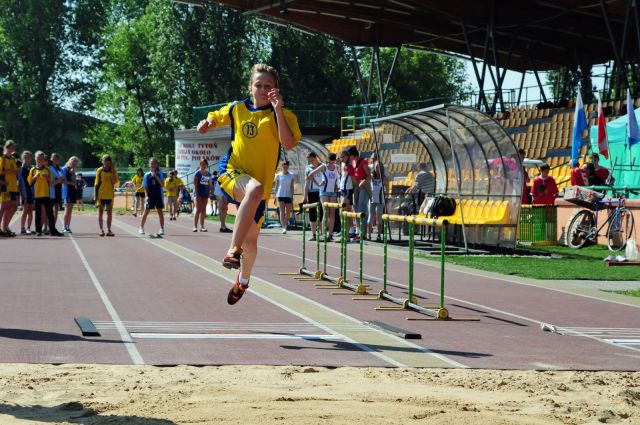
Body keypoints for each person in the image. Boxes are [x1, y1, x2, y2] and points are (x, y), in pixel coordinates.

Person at [197, 63, 301, 305]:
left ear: (276, 89)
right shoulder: (237, 109)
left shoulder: (285, 116)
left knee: (251, 242)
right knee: (253, 191)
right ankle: (233, 251)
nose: (263, 90)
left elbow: (288, 143)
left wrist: (277, 109)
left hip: (260, 186)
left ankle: (243, 281)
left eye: (268, 86)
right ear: (250, 87)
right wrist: (206, 123)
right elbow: (215, 117)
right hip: (233, 171)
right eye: (258, 85)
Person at [28, 151, 63, 236]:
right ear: (35, 159)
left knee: (50, 213)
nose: (39, 161)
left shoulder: (47, 169)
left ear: (43, 160)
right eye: (38, 159)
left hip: (46, 194)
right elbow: (29, 182)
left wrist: (46, 177)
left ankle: (53, 230)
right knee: (38, 213)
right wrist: (35, 177)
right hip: (37, 194)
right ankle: (38, 230)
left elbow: (51, 181)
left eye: (41, 159)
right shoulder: (33, 170)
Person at [307, 153, 340, 241]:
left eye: (333, 160)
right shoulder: (323, 167)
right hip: (324, 192)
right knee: (326, 212)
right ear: (328, 160)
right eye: (330, 160)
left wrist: (337, 186)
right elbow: (310, 175)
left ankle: (330, 234)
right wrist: (318, 184)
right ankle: (324, 234)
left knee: (332, 213)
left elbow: (338, 178)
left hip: (333, 192)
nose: (332, 162)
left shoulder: (337, 167)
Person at [348, 146, 371, 242]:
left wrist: (362, 183)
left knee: (362, 209)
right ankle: (359, 231)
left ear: (353, 155)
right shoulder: (353, 163)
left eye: (350, 155)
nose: (349, 157)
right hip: (356, 188)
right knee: (356, 209)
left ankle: (363, 233)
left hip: (364, 188)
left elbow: (369, 176)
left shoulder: (363, 162)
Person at [94, 154, 119, 236]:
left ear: (110, 162)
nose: (106, 163)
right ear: (103, 161)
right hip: (101, 194)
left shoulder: (113, 170)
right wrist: (95, 195)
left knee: (109, 212)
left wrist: (112, 171)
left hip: (109, 194)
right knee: (100, 212)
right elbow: (96, 184)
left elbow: (115, 182)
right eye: (105, 161)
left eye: (108, 161)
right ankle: (101, 230)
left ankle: (109, 230)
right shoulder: (99, 170)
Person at [139, 157, 165, 235]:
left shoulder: (160, 174)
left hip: (158, 195)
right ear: (149, 165)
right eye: (151, 163)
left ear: (156, 165)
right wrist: (146, 196)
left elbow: (162, 184)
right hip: (150, 196)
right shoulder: (147, 175)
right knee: (146, 212)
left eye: (154, 163)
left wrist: (156, 176)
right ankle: (141, 227)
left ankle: (162, 229)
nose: (153, 165)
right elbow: (145, 186)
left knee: (160, 212)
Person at [0, 140, 20, 237]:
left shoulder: (13, 159)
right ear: (6, 148)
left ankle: (5, 227)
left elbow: (15, 171)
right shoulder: (2, 158)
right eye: (11, 147)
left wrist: (17, 169)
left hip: (13, 186)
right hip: (5, 185)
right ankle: (2, 228)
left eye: (13, 148)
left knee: (13, 206)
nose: (12, 149)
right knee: (4, 207)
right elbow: (1, 172)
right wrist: (10, 171)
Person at [304, 152, 324, 241]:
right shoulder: (308, 169)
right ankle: (313, 234)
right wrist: (305, 196)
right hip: (311, 192)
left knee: (322, 212)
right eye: (309, 160)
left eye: (312, 159)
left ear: (316, 158)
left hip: (321, 192)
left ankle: (322, 233)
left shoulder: (322, 166)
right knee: (312, 213)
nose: (311, 161)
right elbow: (306, 183)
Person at [368, 152, 385, 241]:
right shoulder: (371, 176)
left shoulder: (383, 178)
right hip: (372, 199)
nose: (377, 169)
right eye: (376, 167)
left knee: (379, 217)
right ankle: (369, 234)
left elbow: (386, 187)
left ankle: (379, 235)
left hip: (380, 199)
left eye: (379, 167)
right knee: (370, 217)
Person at [274, 161, 295, 234]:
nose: (285, 167)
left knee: (288, 212)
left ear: (288, 166)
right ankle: (283, 227)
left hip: (288, 195)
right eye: (284, 166)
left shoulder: (291, 175)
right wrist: (275, 196)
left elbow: (292, 186)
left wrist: (292, 195)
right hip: (280, 194)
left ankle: (285, 224)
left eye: (287, 166)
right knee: (282, 211)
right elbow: (276, 186)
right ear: (282, 166)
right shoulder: (278, 175)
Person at [338, 150, 355, 240]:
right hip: (342, 190)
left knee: (343, 212)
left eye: (343, 157)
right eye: (341, 157)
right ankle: (347, 234)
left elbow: (353, 179)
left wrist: (355, 190)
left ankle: (345, 234)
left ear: (347, 157)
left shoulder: (349, 166)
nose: (342, 159)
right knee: (346, 212)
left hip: (347, 190)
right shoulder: (343, 165)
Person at [61, 156, 80, 233]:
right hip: (66, 191)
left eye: (75, 164)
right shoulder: (64, 169)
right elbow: (62, 181)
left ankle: (68, 226)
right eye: (73, 163)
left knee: (70, 209)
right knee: (67, 208)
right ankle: (64, 226)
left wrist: (74, 181)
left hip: (72, 191)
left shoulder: (73, 170)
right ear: (69, 162)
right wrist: (72, 183)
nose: (74, 165)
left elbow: (74, 181)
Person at [193, 159, 212, 232]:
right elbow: (195, 184)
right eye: (202, 163)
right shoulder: (197, 173)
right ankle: (195, 226)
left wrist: (212, 191)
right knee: (198, 209)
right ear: (200, 164)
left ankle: (202, 226)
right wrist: (197, 193)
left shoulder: (208, 174)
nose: (203, 165)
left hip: (205, 193)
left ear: (206, 165)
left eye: (204, 164)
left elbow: (210, 183)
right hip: (198, 193)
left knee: (204, 210)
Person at [19, 150, 34, 235]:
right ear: (22, 158)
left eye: (28, 157)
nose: (26, 159)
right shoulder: (21, 168)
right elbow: (19, 182)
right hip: (25, 192)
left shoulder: (32, 168)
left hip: (31, 192)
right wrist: (21, 194)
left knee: (31, 211)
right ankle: (22, 228)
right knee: (25, 211)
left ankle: (28, 228)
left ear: (31, 158)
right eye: (25, 157)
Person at [48, 153, 65, 228]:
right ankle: (46, 226)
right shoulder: (49, 168)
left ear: (58, 160)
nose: (55, 160)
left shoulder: (59, 169)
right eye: (53, 158)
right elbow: (57, 180)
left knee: (56, 210)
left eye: (56, 159)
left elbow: (63, 179)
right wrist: (58, 181)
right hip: (51, 190)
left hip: (58, 189)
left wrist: (59, 180)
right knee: (49, 209)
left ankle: (52, 226)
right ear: (51, 158)